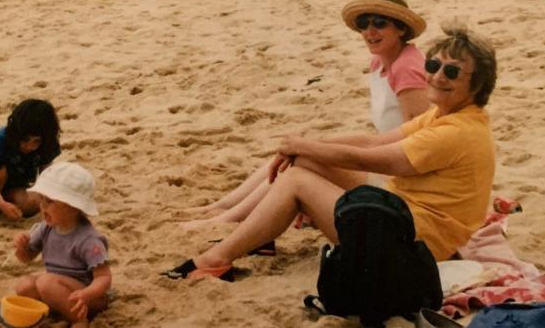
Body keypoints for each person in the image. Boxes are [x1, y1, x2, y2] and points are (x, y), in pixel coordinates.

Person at [167, 22, 497, 280]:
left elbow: (372, 159)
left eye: (452, 72)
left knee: (298, 180)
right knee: (306, 160)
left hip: (412, 243)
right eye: (434, 64)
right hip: (405, 218)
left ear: (478, 84)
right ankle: (251, 233)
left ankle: (216, 259)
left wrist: (303, 147)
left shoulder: (456, 132)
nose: (437, 75)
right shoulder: (446, 116)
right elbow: (371, 142)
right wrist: (308, 145)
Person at [181, 0, 429, 230]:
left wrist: (338, 151)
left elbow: (416, 138)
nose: (369, 32)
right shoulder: (381, 61)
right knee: (295, 150)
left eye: (380, 24)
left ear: (400, 28)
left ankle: (231, 218)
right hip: (385, 159)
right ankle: (223, 207)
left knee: (302, 156)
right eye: (364, 24)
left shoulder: (406, 67)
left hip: (398, 177)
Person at [14, 162, 112, 328]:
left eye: (50, 202)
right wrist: (22, 247)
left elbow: (104, 277)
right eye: (42, 200)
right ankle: (56, 310)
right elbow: (26, 258)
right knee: (25, 286)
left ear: (73, 208)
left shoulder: (88, 239)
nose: (42, 206)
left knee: (45, 282)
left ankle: (79, 320)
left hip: (88, 298)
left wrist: (86, 294)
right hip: (57, 289)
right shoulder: (46, 228)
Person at [0, 98, 61, 219]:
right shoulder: (0, 139)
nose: (29, 146)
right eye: (25, 139)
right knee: (0, 172)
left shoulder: (47, 143)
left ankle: (1, 207)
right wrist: (1, 204)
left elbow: (46, 173)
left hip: (15, 187)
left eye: (36, 141)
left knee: (36, 201)